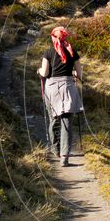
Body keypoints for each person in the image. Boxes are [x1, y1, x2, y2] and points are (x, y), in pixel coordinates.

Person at [37, 26, 83, 166]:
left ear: (53, 37)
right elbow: (79, 74)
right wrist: (74, 74)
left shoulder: (48, 52)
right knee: (67, 123)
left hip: (52, 90)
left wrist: (39, 70)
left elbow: (44, 73)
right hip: (68, 88)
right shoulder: (72, 52)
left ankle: (56, 149)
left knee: (54, 120)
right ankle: (64, 156)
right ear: (65, 38)